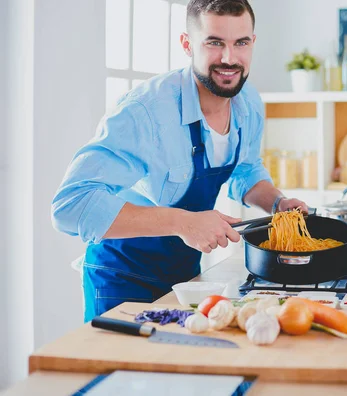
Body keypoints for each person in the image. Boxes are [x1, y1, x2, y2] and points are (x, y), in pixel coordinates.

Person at [51, 0, 308, 322]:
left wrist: (277, 203)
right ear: (187, 44)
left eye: (240, 43)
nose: (229, 59)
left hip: (184, 275)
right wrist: (183, 222)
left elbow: (245, 168)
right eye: (214, 43)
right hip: (120, 277)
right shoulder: (145, 111)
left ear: (252, 43)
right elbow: (70, 207)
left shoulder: (248, 101)